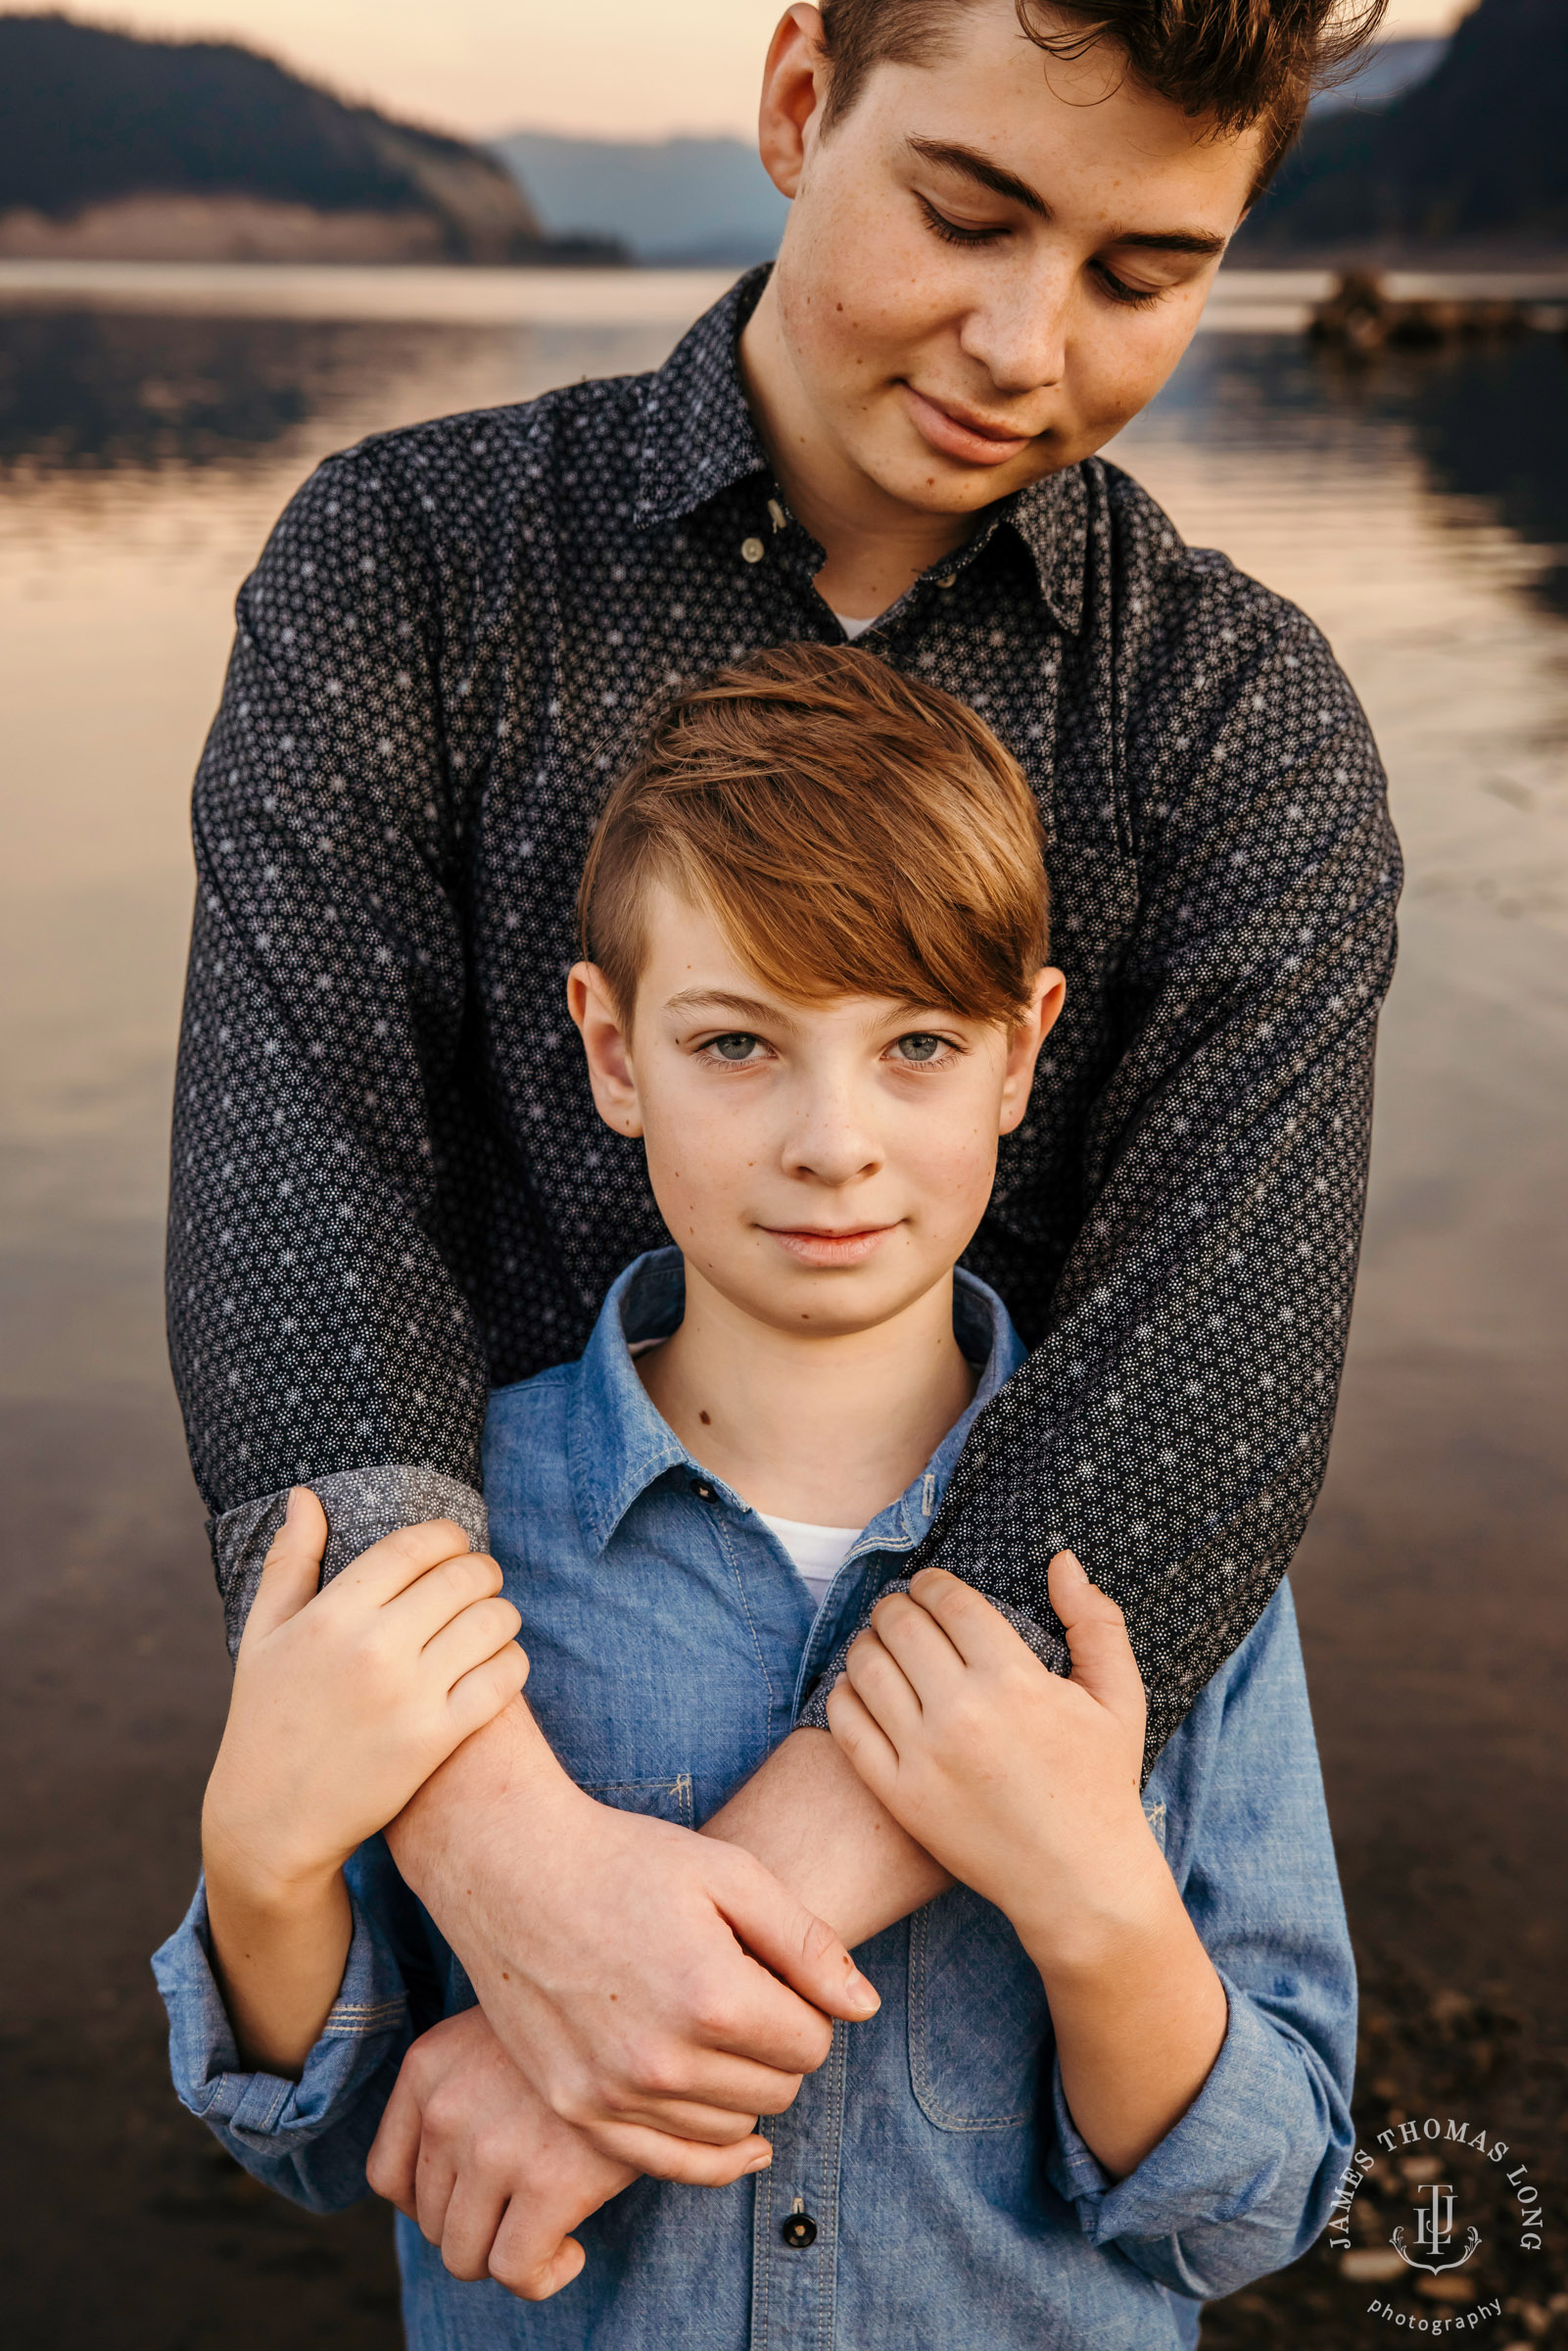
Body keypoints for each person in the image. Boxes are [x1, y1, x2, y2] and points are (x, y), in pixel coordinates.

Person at [166, 0, 1396, 2188]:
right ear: (801, 97)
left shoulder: (1240, 723)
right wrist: (523, 1884)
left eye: (1145, 273)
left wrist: (661, 1974)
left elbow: (1204, 1383)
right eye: (969, 212)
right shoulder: (405, 575)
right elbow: (303, 1225)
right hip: (528, 1734)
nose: (1030, 342)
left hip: (1005, 1995)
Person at [156, 649, 1355, 2344]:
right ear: (610, 1047)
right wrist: (261, 1858)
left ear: (1026, 1055)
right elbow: (326, 2138)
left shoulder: (1152, 1550)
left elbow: (1257, 2204)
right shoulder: (459, 1536)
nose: (832, 1139)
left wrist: (1094, 1898)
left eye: (918, 1045)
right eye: (736, 1042)